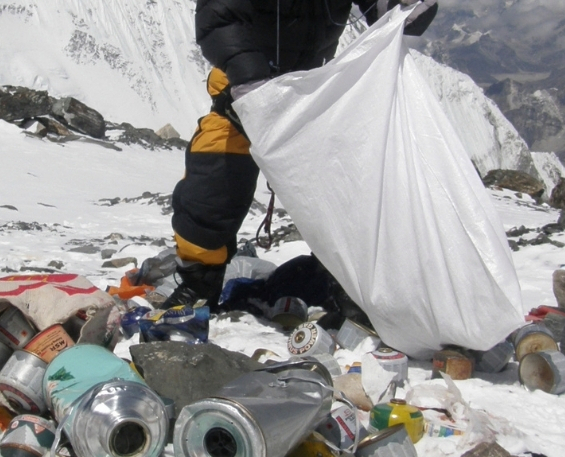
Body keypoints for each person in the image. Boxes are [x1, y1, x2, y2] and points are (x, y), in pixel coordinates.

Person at [162, 0, 438, 309]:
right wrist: (250, 81)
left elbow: (381, 5)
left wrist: (406, 7)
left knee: (351, 191)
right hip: (243, 93)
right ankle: (199, 283)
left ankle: (348, 284)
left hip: (313, 93)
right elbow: (220, 15)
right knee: (212, 187)